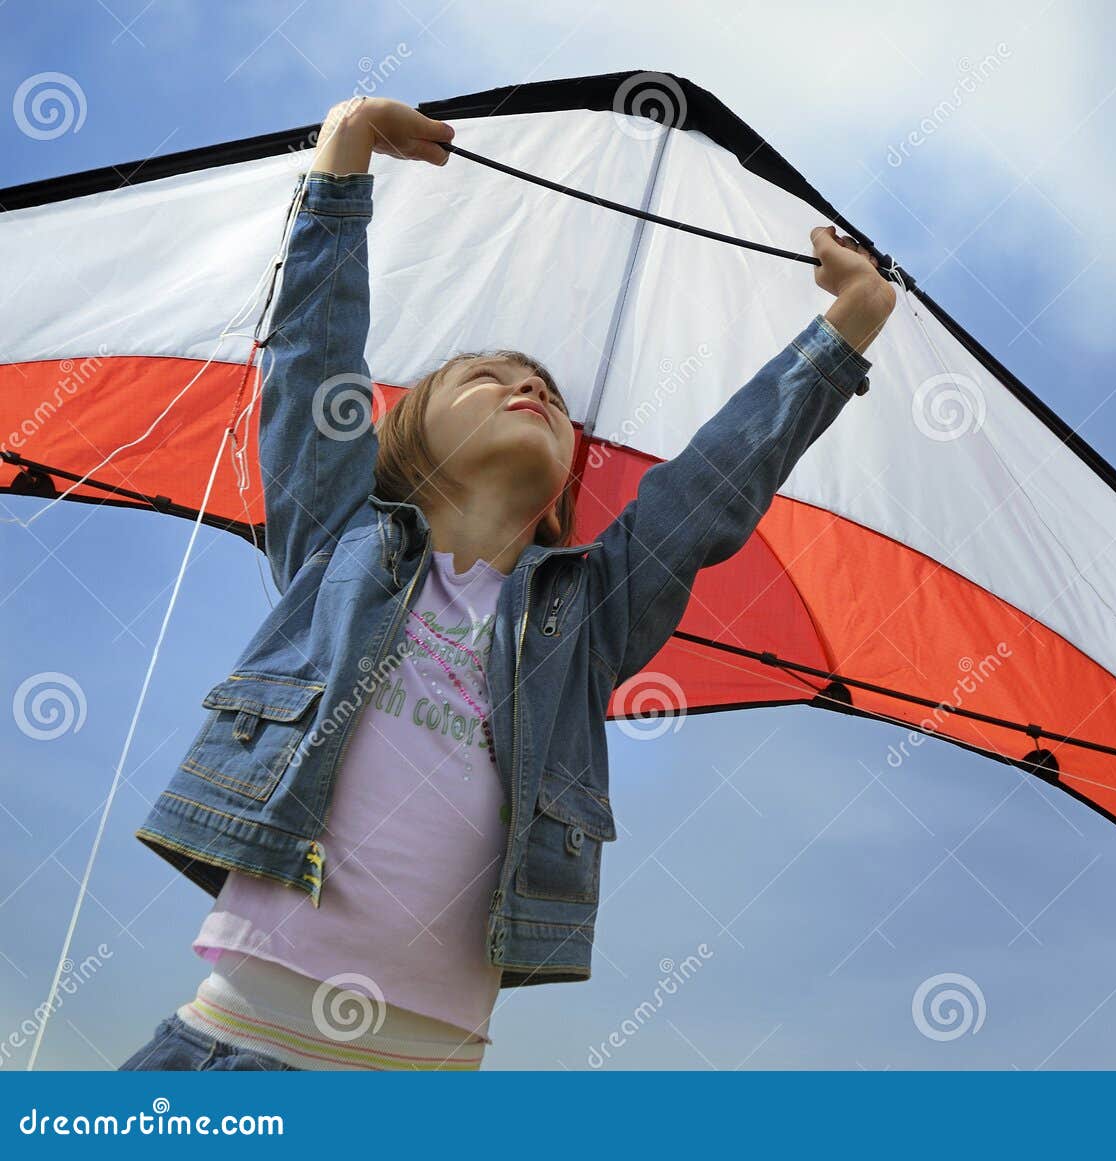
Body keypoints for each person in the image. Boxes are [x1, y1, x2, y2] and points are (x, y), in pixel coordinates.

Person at [118, 96, 894, 1070]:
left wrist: (851, 323)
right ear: (400, 443)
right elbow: (313, 353)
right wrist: (345, 154)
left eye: (550, 397)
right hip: (231, 1056)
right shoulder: (337, 540)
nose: (529, 387)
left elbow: (711, 487)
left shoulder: (590, 615)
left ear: (567, 475)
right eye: (486, 378)